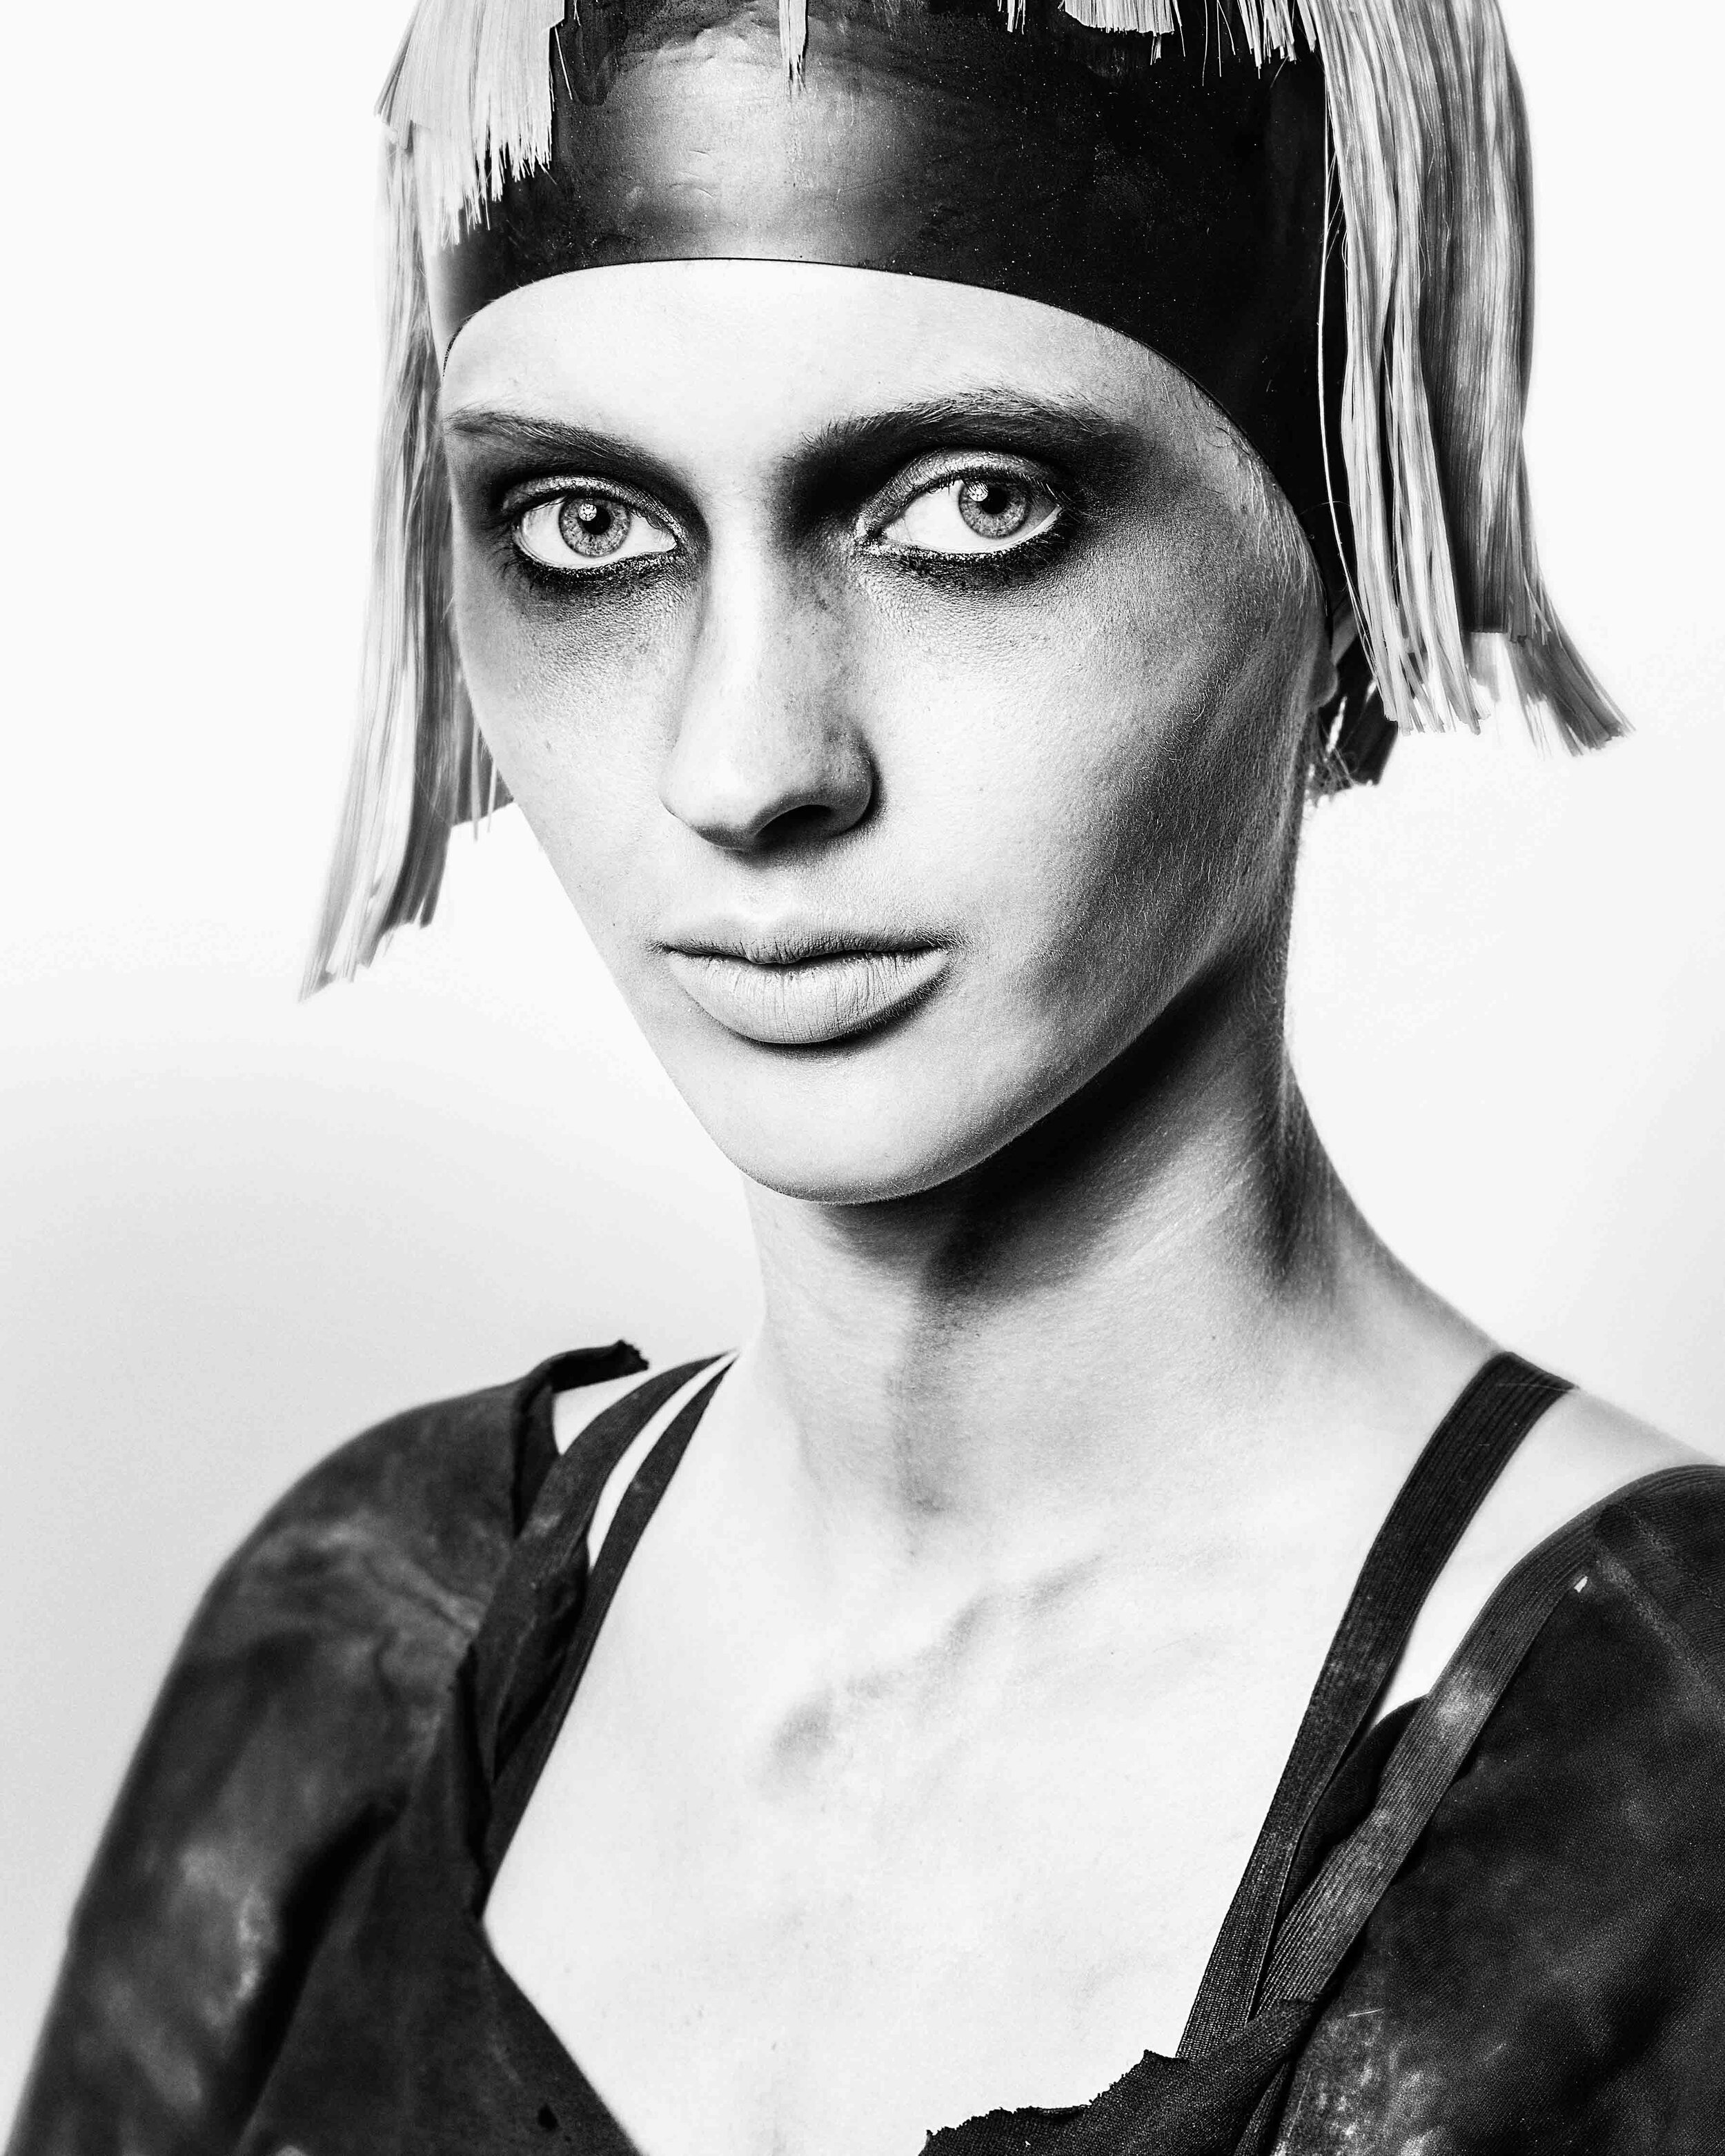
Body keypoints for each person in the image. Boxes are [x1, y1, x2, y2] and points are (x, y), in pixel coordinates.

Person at [11, 0, 1725, 2150]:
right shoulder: (368, 1627)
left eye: (973, 505)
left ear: (1351, 555)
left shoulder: (1667, 1789)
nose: (742, 767)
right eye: (584, 526)